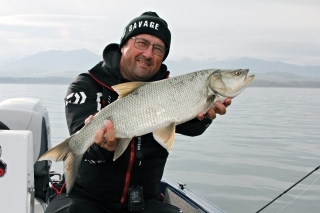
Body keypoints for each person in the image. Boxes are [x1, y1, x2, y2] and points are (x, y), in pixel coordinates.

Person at [45, 11, 231, 213]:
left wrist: (205, 112)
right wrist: (102, 147)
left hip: (144, 202)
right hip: (86, 198)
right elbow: (80, 131)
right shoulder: (87, 85)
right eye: (141, 43)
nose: (148, 54)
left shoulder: (172, 91)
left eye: (158, 49)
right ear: (123, 45)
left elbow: (192, 127)